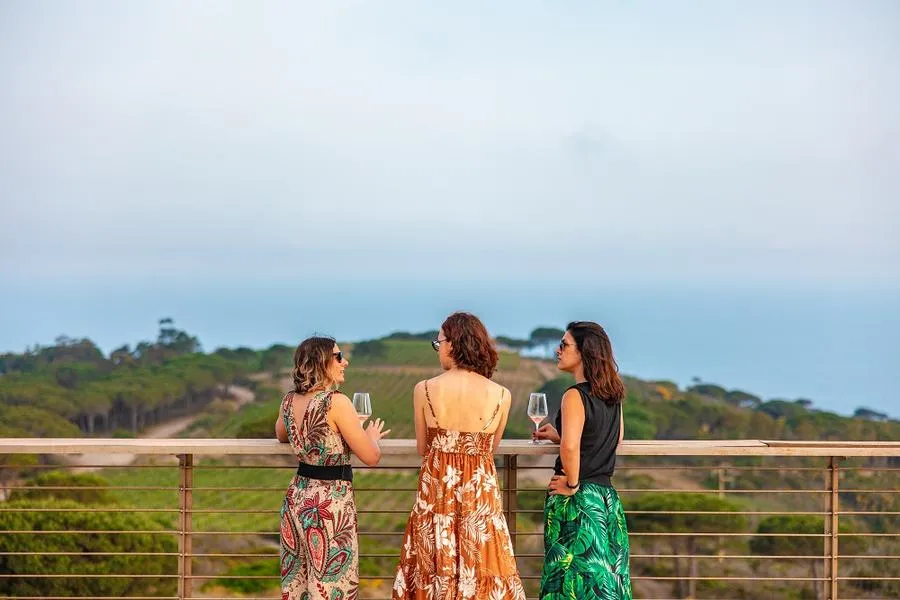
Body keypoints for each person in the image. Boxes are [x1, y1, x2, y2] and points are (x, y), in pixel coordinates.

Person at [392, 312, 525, 600]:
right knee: (484, 570)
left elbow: (423, 448)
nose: (437, 348)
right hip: (479, 499)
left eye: (438, 342)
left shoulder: (424, 389)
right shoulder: (501, 394)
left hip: (436, 496)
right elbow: (489, 449)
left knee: (431, 572)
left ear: (452, 344)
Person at [277, 336, 391, 600]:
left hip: (296, 499)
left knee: (297, 584)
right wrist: (370, 436)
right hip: (328, 505)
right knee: (331, 585)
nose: (345, 362)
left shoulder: (288, 400)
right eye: (338, 357)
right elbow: (371, 457)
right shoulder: (336, 402)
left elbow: (283, 434)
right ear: (321, 362)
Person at [533, 321, 632, 599]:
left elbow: (572, 447)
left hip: (578, 500)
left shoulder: (574, 395)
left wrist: (572, 484)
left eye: (564, 345)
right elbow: (614, 439)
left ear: (583, 352)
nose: (558, 350)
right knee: (605, 579)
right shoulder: (613, 395)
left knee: (570, 579)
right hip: (606, 500)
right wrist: (561, 435)